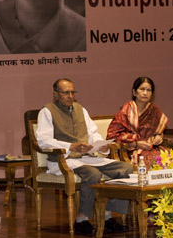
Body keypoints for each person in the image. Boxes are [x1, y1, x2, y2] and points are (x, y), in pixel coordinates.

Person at [36, 78, 132, 234]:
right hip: (63, 160)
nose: (70, 96)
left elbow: (92, 133)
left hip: (86, 158)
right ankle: (82, 219)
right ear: (55, 94)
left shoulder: (81, 109)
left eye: (72, 92)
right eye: (66, 92)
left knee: (125, 168)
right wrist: (70, 146)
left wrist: (100, 145)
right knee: (92, 174)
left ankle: (106, 215)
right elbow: (43, 141)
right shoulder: (47, 111)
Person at [107, 77, 168, 165]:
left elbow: (158, 131)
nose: (145, 93)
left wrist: (159, 137)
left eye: (148, 90)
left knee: (171, 159)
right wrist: (136, 144)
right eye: (142, 89)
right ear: (134, 92)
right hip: (129, 150)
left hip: (151, 148)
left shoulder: (154, 110)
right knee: (153, 160)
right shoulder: (126, 110)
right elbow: (112, 136)